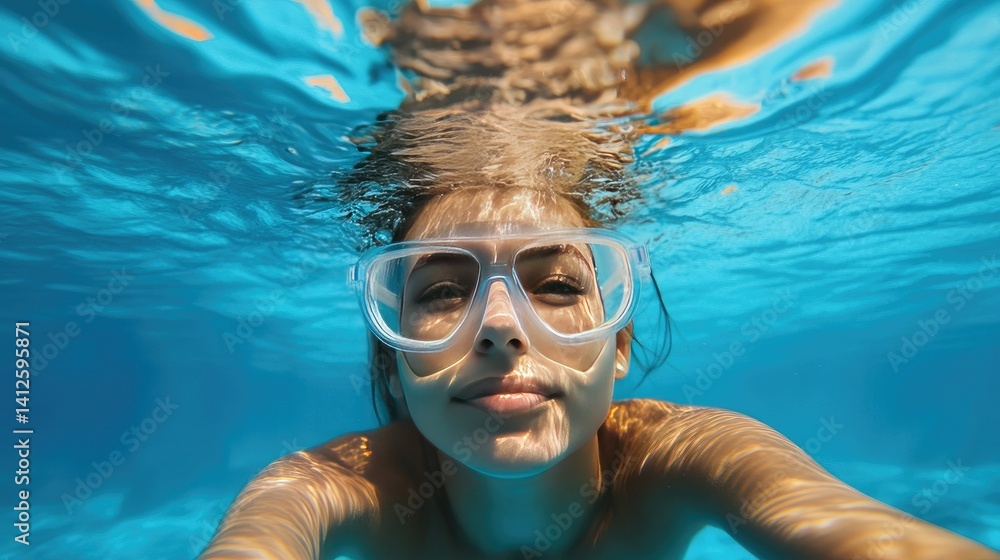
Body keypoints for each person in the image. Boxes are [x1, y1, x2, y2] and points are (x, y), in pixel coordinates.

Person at [200, 1, 1000, 558]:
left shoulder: (682, 459)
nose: (501, 325)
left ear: (618, 345)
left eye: (555, 286)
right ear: (394, 362)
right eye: (442, 292)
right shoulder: (338, 489)